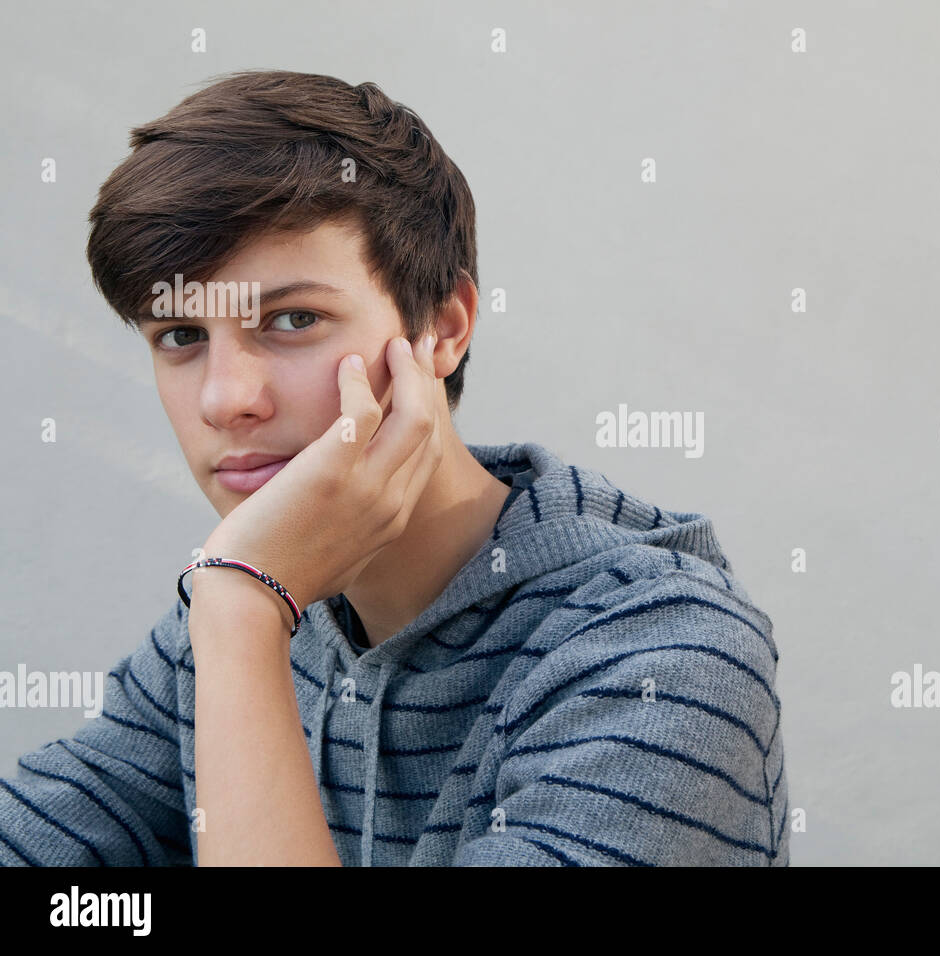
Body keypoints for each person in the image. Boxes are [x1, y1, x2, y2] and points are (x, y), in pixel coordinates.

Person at [0, 69, 788, 866]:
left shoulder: (665, 655)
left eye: (293, 319)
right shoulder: (225, 623)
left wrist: (241, 614)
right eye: (179, 336)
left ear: (443, 327)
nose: (225, 399)